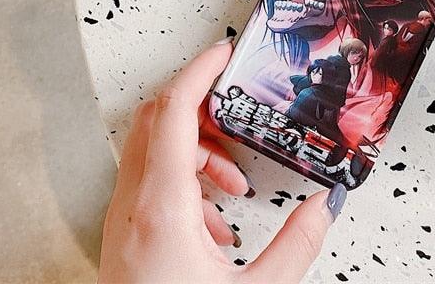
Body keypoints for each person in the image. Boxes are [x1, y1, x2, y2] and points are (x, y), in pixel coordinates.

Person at [98, 39, 346, 284]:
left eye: (321, 72)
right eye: (315, 71)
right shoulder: (305, 90)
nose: (316, 74)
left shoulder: (322, 95)